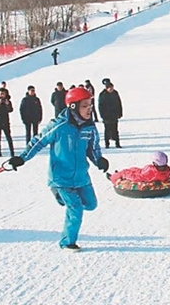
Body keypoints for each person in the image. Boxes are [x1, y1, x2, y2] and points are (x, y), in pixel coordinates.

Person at [8, 87, 109, 251]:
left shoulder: (90, 127)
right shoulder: (59, 126)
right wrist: (22, 157)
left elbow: (93, 148)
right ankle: (67, 242)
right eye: (85, 106)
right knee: (75, 209)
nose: (89, 109)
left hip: (82, 177)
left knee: (91, 205)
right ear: (73, 107)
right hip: (61, 177)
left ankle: (62, 198)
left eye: (90, 105)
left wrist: (100, 160)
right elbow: (38, 141)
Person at [0, 87, 15, 158]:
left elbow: (10, 110)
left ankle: (12, 152)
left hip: (5, 121)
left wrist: (7, 104)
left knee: (8, 137)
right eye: (1, 94)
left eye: (3, 94)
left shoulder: (8, 101)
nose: (2, 95)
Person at [99, 81, 123, 148]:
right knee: (107, 130)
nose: (112, 89)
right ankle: (107, 144)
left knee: (115, 130)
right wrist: (103, 115)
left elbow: (119, 103)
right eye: (110, 88)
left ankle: (117, 143)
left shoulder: (115, 93)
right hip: (106, 116)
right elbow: (100, 106)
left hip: (114, 115)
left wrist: (120, 112)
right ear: (107, 88)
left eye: (112, 88)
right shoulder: (103, 95)